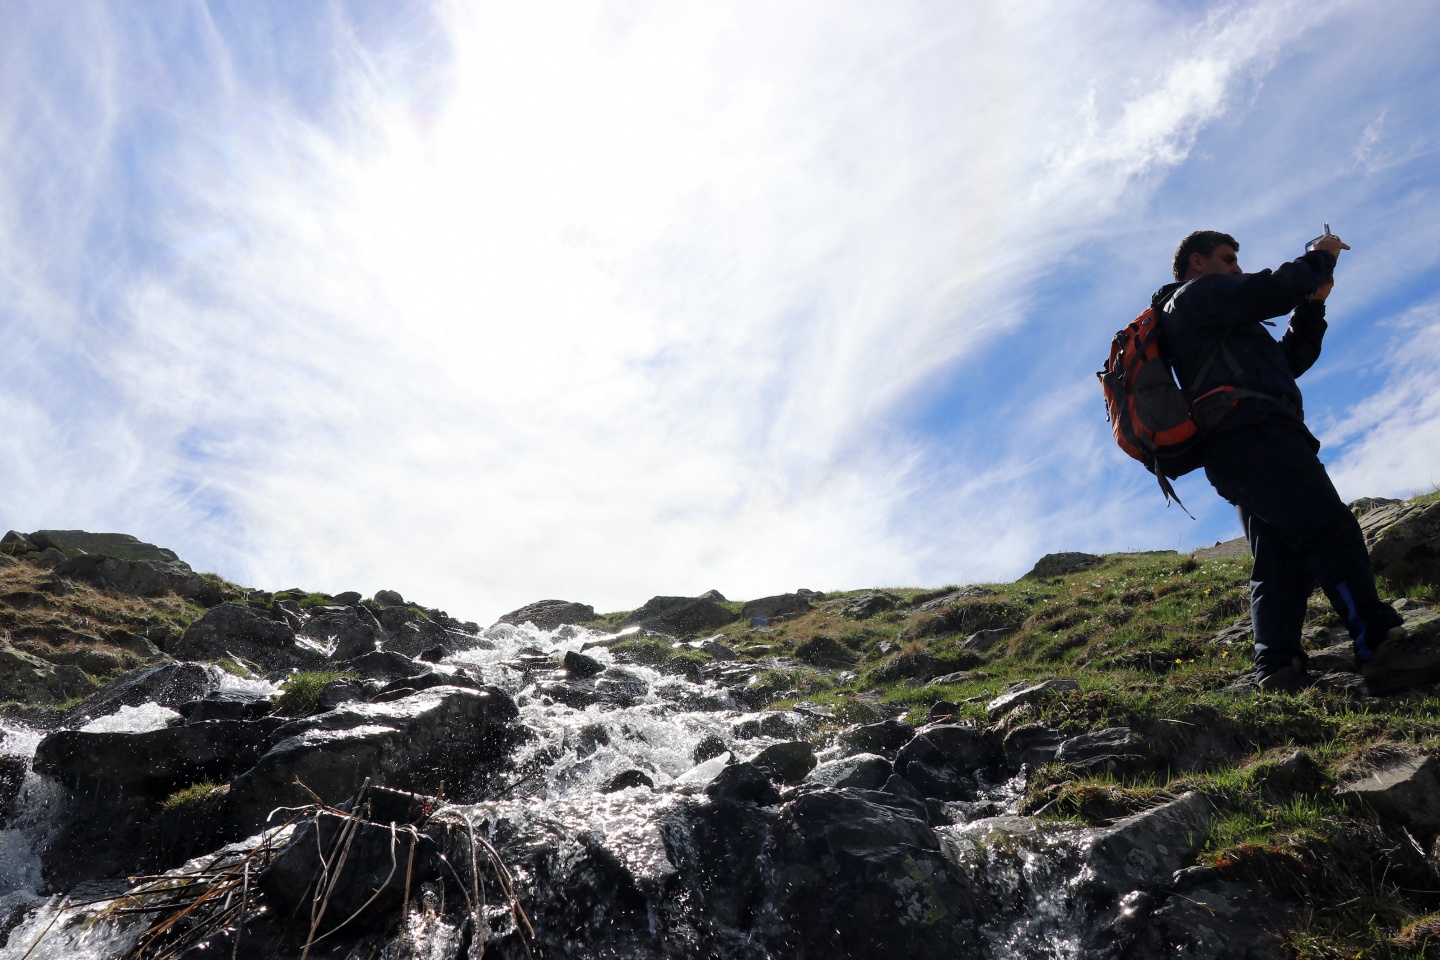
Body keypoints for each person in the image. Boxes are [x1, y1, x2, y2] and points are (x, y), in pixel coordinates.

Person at [1154, 229, 1440, 695]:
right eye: (1228, 259)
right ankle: (1379, 646)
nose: (1237, 268)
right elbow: (1270, 290)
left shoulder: (1213, 322)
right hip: (1255, 434)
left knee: (1279, 559)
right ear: (1197, 263)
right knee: (1331, 530)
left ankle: (1278, 670)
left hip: (1241, 443)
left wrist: (1312, 305)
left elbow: (1290, 360)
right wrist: (1319, 259)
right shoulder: (1194, 296)